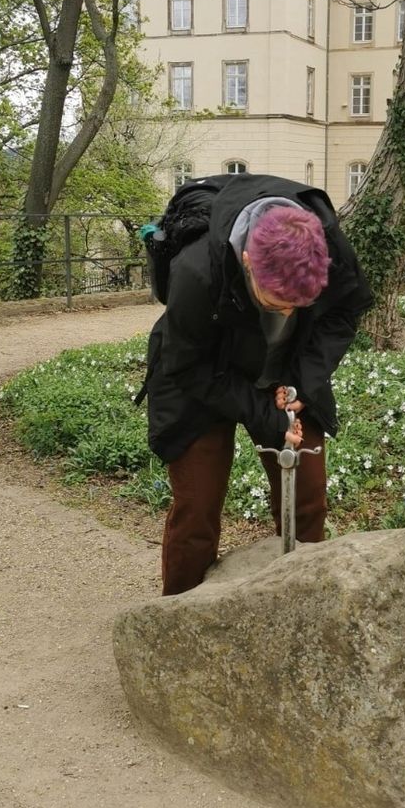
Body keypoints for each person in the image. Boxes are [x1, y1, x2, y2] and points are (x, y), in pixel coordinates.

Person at [141, 173, 373, 595]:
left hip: (286, 367)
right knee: (198, 508)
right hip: (203, 373)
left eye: (298, 306)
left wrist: (301, 384)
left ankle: (302, 602)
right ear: (247, 262)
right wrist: (265, 414)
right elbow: (186, 366)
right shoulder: (196, 272)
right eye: (274, 304)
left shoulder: (327, 246)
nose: (285, 316)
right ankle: (179, 615)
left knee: (307, 497)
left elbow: (346, 310)